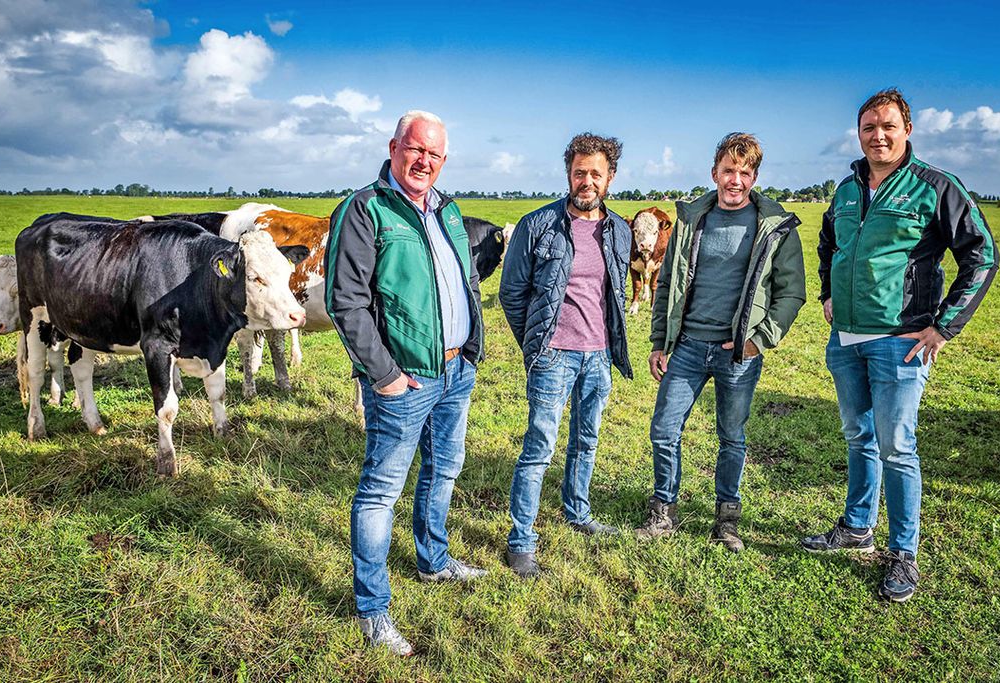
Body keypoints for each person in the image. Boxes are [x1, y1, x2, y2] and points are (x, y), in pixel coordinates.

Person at [803, 89, 999, 601]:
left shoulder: (935, 186)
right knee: (857, 437)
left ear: (907, 129)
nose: (878, 135)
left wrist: (943, 326)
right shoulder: (846, 189)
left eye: (888, 126)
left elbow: (982, 255)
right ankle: (856, 525)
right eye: (869, 127)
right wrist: (827, 293)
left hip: (900, 341)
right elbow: (828, 245)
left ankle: (903, 554)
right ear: (859, 133)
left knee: (897, 446)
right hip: (844, 339)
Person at [325, 110, 486, 655]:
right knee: (380, 491)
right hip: (407, 378)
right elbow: (344, 301)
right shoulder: (366, 209)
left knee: (445, 467)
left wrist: (470, 348)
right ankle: (373, 609)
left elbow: (461, 283)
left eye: (434, 154)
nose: (424, 161)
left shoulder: (447, 209)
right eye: (415, 149)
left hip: (456, 370)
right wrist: (386, 375)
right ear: (394, 147)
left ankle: (433, 560)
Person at [637, 133, 805, 551]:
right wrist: (660, 342)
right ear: (715, 173)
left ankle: (727, 519)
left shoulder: (775, 226)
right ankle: (664, 509)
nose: (736, 180)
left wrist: (758, 340)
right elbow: (668, 287)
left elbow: (792, 292)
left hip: (738, 353)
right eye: (729, 171)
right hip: (689, 346)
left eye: (745, 173)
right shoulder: (692, 220)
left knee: (732, 435)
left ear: (754, 177)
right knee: (664, 429)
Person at [499, 133, 634, 578]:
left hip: (598, 356)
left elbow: (613, 292)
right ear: (568, 174)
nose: (587, 181)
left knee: (587, 441)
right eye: (580, 172)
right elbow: (512, 292)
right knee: (539, 447)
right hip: (553, 355)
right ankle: (521, 540)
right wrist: (537, 343)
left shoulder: (620, 230)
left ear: (610, 178)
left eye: (596, 173)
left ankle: (578, 512)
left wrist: (608, 345)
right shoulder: (536, 225)